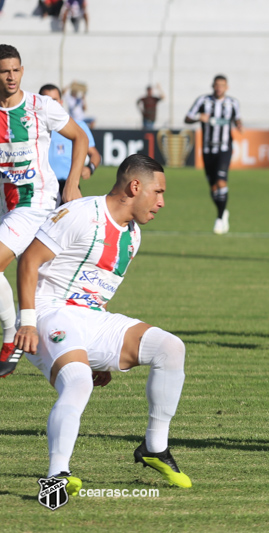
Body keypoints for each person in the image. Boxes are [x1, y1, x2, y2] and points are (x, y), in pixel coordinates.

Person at [15, 154, 191, 493]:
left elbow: (98, 291)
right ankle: (57, 475)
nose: (162, 202)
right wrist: (27, 322)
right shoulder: (82, 213)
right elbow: (29, 260)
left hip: (93, 318)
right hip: (50, 312)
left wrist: (99, 353)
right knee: (78, 381)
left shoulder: (133, 234)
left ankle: (154, 447)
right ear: (135, 186)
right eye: (158, 192)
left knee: (171, 348)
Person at [0, 44, 88, 378]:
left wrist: (73, 183)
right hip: (6, 205)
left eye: (16, 70)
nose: (11, 76)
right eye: (5, 71)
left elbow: (80, 137)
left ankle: (14, 334)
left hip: (35, 204)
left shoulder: (40, 106)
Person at [185, 75, 242, 235]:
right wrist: (198, 117)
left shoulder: (233, 103)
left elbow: (237, 119)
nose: (219, 88)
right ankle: (223, 212)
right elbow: (187, 118)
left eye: (222, 85)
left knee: (221, 181)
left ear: (227, 87)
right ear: (213, 86)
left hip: (224, 148)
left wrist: (239, 125)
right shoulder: (203, 101)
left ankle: (219, 218)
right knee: (213, 187)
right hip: (207, 149)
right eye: (217, 85)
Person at [39, 84, 101, 204]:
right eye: (46, 100)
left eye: (54, 100)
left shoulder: (77, 127)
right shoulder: (31, 127)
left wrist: (90, 168)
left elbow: (95, 154)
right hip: (41, 189)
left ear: (61, 102)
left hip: (68, 186)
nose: (50, 104)